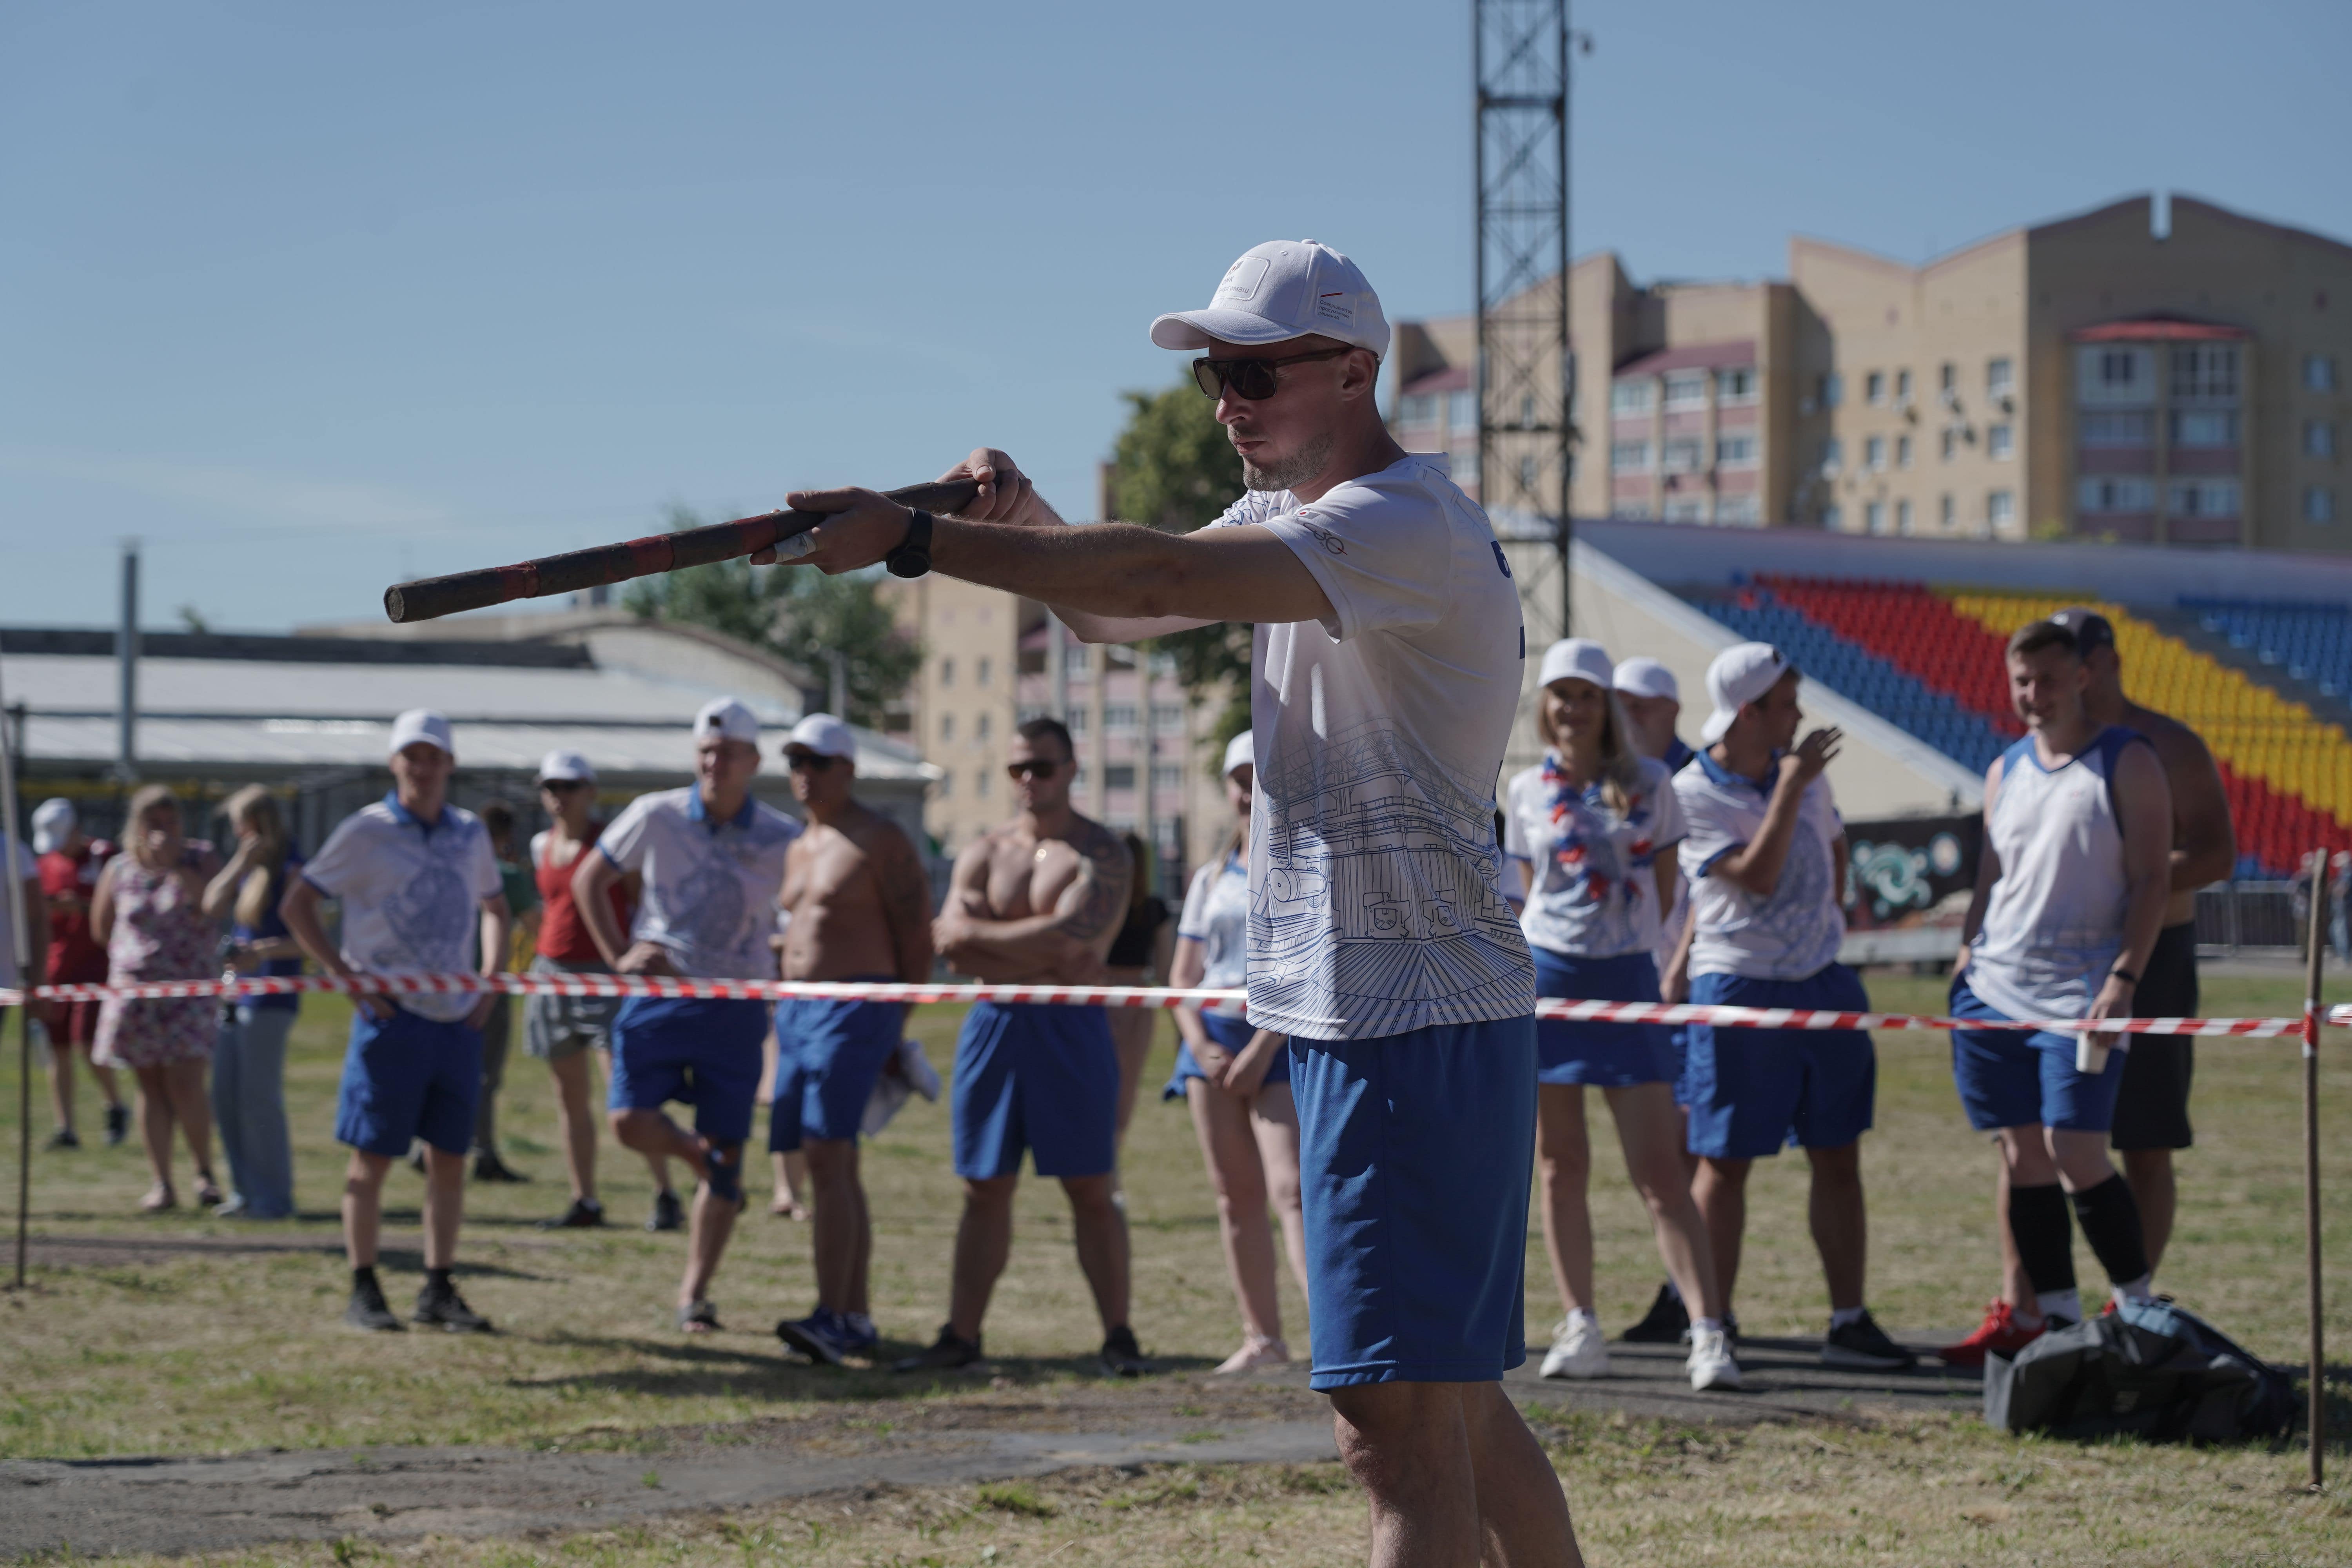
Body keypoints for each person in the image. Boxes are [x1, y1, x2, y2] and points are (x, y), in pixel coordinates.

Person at [770, 239, 1574, 1564]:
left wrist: (914, 540)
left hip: (1409, 1026)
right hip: (1380, 1019)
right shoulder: (1297, 524)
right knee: (1454, 1411)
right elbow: (1123, 613)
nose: (1226, 403)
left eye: (1253, 372)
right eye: (1216, 376)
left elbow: (1156, 581)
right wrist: (1020, 518)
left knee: (1395, 1430)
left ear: (1355, 371)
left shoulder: (1398, 522)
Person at [1942, 606, 2238, 1363]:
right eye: (2022, 681)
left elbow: (2148, 882)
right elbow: (1991, 874)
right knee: (2024, 1157)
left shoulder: (2130, 759)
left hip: (2081, 992)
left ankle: (2138, 1307)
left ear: (2082, 678)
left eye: (2047, 678)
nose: (2034, 693)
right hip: (1996, 990)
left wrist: (2123, 979)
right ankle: (2062, 1329)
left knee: (2077, 1146)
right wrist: (1969, 947)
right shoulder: (2004, 770)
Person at [1671, 643, 1912, 1370]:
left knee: (1839, 1156)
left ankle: (1849, 1319)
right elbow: (1760, 877)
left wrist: (1826, 927)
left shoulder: (1806, 776)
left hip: (1823, 982)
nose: (1800, 717)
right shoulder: (1692, 791)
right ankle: (1712, 1326)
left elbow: (1833, 850)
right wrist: (1793, 784)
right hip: (1739, 988)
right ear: (1749, 712)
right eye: (1787, 703)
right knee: (1725, 1163)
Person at [1504, 640, 1737, 1393]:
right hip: (1549, 985)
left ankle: (1708, 1333)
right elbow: (1530, 891)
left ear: (1607, 708)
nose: (1574, 709)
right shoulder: (1524, 792)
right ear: (1546, 706)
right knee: (1559, 1166)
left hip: (1628, 981)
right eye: (1562, 695)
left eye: (1588, 695)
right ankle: (1581, 1323)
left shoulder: (1653, 782)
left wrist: (1632, 954)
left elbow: (1668, 892)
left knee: (1661, 1173)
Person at [892, 717, 1145, 1377]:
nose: (1029, 781)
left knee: (1090, 1185)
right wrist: (1043, 948)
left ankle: (1118, 1335)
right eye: (1018, 769)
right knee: (984, 1185)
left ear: (1071, 769)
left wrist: (989, 940)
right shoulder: (986, 849)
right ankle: (962, 1333)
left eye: (1043, 767)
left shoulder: (1104, 853)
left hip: (1070, 1025)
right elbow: (948, 939)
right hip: (994, 1023)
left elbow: (1080, 942)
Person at [573, 698, 800, 1332]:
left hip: (737, 1008)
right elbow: (591, 880)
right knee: (626, 1121)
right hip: (660, 1000)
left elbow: (809, 909)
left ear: (753, 762)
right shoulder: (657, 814)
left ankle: (694, 1295)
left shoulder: (783, 837)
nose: (713, 763)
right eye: (705, 751)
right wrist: (621, 953)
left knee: (732, 1148)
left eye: (727, 754)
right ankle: (698, 1159)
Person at [283, 709, 512, 1332]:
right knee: (373, 1160)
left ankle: (439, 1287)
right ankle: (365, 1286)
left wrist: (490, 979)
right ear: (395, 763)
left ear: (450, 765)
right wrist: (345, 975)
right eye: (412, 756)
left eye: (434, 756)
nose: (423, 768)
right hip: (394, 1018)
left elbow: (496, 907)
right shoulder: (366, 831)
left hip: (456, 1019)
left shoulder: (469, 833)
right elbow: (299, 903)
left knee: (449, 1159)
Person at [767, 714, 936, 1365]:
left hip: (855, 1005)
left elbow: (915, 934)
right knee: (821, 1164)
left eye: (815, 762)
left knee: (831, 1154)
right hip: (799, 1011)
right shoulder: (799, 843)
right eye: (795, 762)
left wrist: (895, 1021)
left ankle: (843, 1313)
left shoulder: (880, 838)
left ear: (847, 768)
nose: (802, 775)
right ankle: (842, 1311)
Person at [1165, 730, 1308, 1374]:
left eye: (1261, 776)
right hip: (1214, 1043)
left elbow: (1307, 967)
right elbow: (1182, 978)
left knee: (1293, 1190)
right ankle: (1263, 1338)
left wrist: (1261, 1047)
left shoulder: (1304, 866)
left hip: (1276, 1038)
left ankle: (1332, 1336)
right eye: (1239, 778)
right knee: (1235, 1195)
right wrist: (1200, 1045)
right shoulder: (1209, 877)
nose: (1249, 790)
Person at [524, 751, 680, 1232]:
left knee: (626, 1094)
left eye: (568, 787)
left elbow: (638, 903)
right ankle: (584, 1198)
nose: (558, 797)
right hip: (553, 974)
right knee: (569, 1095)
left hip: (606, 977)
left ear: (590, 792)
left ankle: (666, 1191)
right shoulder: (540, 845)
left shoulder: (612, 844)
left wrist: (633, 960)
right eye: (550, 787)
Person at [1610, 656, 1708, 1346]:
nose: (1630, 717)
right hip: (1629, 984)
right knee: (1657, 1154)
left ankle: (1692, 1298)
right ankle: (1682, 1294)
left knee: (1684, 1149)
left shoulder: (1690, 781)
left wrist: (1678, 964)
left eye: (1642, 706)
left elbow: (1704, 887)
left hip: (1688, 986)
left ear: (1672, 708)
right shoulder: (1609, 779)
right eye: (1623, 705)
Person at [91, 786, 225, 1213]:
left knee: (186, 1081)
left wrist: (177, 867)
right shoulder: (119, 867)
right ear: (138, 825)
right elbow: (102, 927)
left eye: (171, 822)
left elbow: (216, 908)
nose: (163, 831)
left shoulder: (201, 858)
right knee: (149, 1084)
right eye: (154, 822)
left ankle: (205, 1172)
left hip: (190, 989)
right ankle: (162, 1182)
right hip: (134, 990)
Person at [201, 786, 305, 1220]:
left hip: (272, 996)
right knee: (225, 1094)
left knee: (258, 1099)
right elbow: (210, 905)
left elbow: (307, 939)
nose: (237, 832)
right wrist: (240, 862)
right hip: (236, 995)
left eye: (240, 824)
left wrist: (260, 952)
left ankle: (274, 1198)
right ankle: (245, 1192)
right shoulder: (249, 869)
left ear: (258, 822)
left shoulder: (294, 866)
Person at [32, 799, 126, 1150]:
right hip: (57, 967)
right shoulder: (44, 864)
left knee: (88, 1043)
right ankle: (66, 1128)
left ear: (76, 830)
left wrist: (83, 907)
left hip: (96, 967)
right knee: (57, 1049)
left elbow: (121, 906)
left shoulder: (105, 857)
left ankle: (115, 1105)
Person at [468, 798, 539, 1184]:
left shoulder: (457, 868)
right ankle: (484, 1152)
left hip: (445, 983)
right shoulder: (507, 876)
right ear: (506, 837)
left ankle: (426, 1146)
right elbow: (537, 925)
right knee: (485, 1077)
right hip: (488, 986)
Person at [1105, 829, 1174, 1145]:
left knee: (1110, 1088)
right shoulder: (1151, 908)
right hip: (1125, 1000)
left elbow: (1166, 972)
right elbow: (1165, 971)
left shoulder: (1101, 908)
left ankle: (1108, 1175)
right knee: (1123, 1089)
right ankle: (1108, 1173)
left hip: (1109, 997)